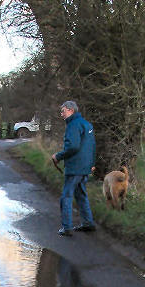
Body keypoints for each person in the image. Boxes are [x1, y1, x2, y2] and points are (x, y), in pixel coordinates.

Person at [52, 100, 97, 236]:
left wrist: (58, 156)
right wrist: (92, 164)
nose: (61, 114)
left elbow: (73, 146)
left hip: (75, 167)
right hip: (85, 167)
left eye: (63, 111)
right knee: (81, 194)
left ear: (71, 110)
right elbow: (92, 146)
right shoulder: (87, 124)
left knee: (66, 196)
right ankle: (88, 223)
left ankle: (67, 227)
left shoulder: (73, 125)